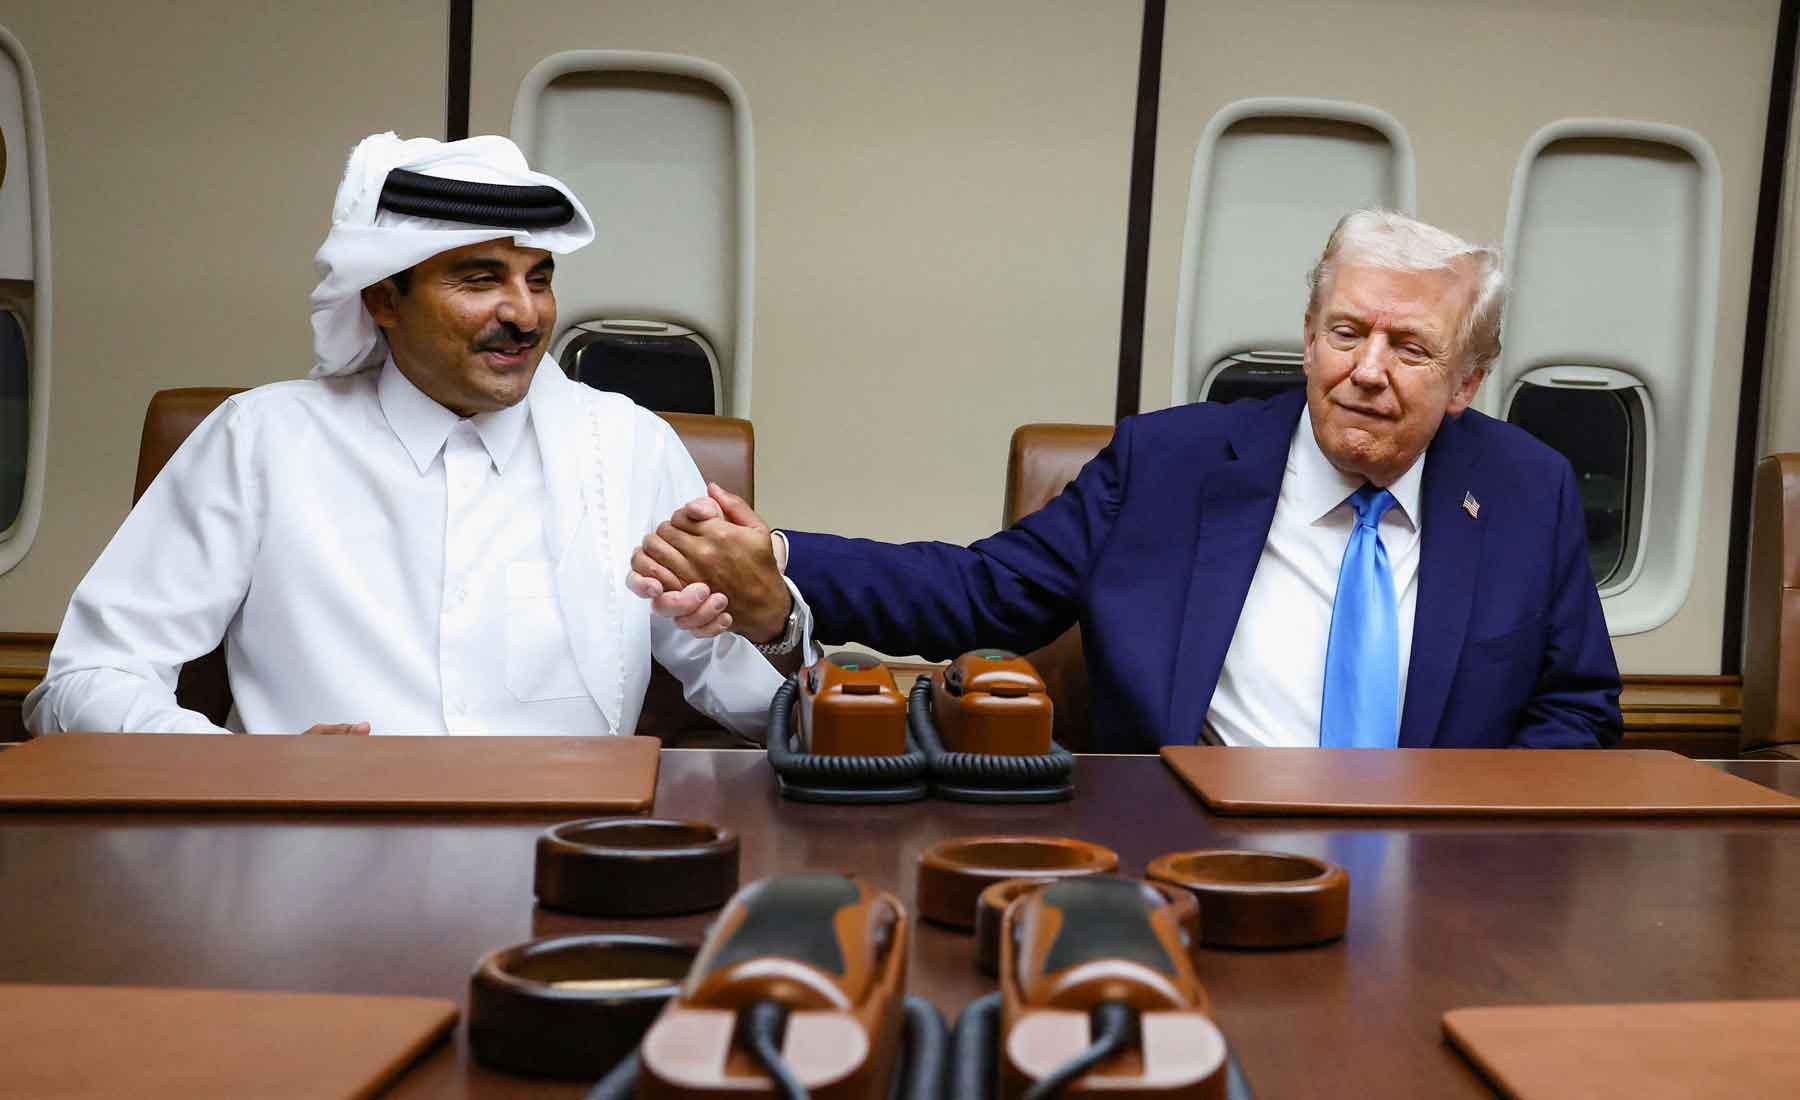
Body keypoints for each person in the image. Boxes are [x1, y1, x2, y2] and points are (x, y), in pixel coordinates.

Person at [627, 209, 1622, 751]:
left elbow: (1577, 706)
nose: (1365, 368)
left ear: (1468, 382)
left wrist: (1469, 837)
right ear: (1309, 334)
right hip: (1194, 854)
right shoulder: (1172, 464)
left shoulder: (1528, 489)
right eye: (1345, 330)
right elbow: (978, 591)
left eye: (1409, 347)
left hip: (1437, 871)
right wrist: (787, 556)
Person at [26, 132, 806, 738]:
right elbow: (84, 683)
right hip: (302, 863)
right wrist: (250, 770)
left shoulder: (627, 448)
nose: (526, 314)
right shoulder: (261, 443)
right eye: (479, 279)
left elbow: (762, 710)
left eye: (539, 277)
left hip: (562, 873)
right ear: (383, 300)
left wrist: (776, 625)